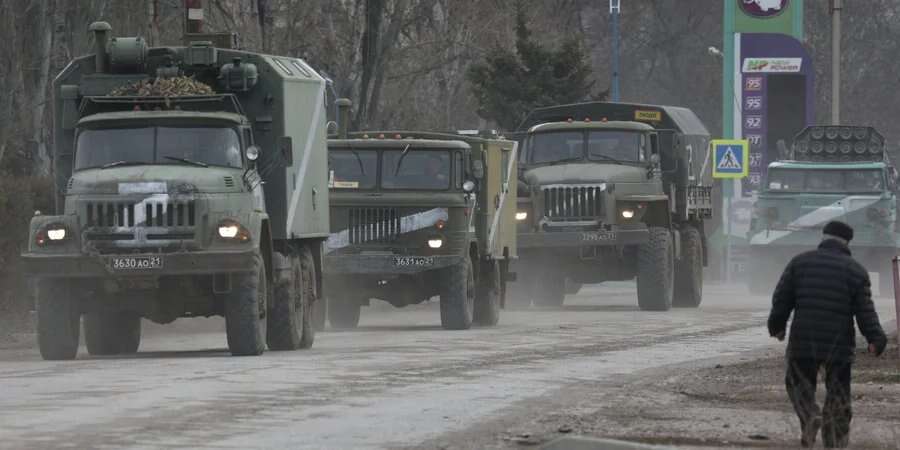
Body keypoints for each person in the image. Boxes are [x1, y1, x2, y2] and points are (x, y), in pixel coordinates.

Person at [768, 220, 887, 448]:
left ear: (823, 238)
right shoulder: (856, 271)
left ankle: (809, 416)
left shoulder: (799, 263)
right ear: (847, 242)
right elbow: (866, 312)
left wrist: (777, 326)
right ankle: (834, 443)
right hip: (838, 346)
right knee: (839, 394)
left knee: (798, 385)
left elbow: (781, 299)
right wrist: (876, 339)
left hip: (803, 341)